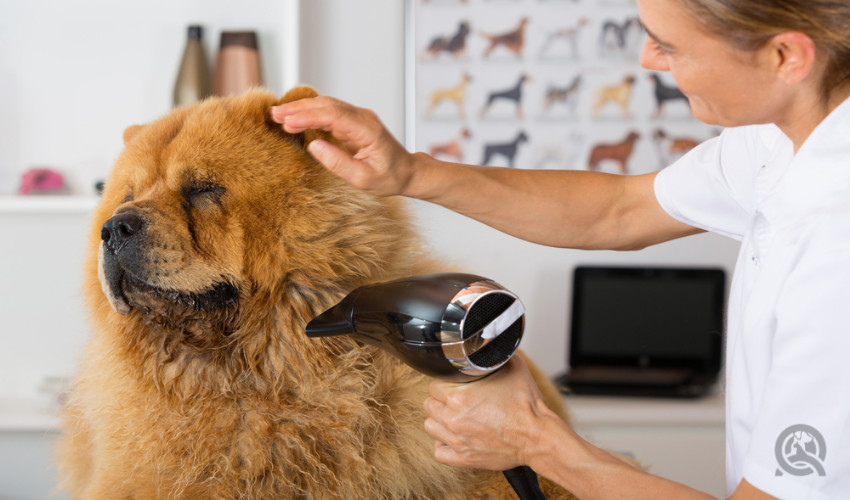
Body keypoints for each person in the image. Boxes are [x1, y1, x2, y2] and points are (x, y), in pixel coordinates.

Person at [270, 0, 850, 497]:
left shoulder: (834, 255)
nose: (648, 60)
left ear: (786, 56)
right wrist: (411, 173)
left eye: (671, 46)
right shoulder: (775, 142)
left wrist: (536, 441)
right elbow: (617, 210)